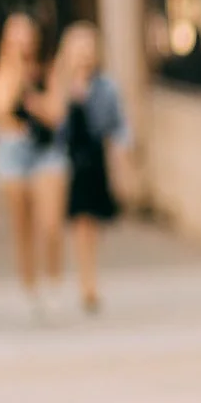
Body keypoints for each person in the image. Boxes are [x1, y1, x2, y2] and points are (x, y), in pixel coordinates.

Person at [0, 13, 65, 310]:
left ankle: (54, 281)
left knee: (51, 224)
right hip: (12, 150)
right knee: (22, 224)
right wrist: (16, 72)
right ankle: (29, 286)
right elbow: (0, 110)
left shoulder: (49, 69)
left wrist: (33, 101)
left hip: (46, 149)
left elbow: (56, 114)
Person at [53, 23, 130, 313]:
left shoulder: (106, 86)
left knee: (92, 223)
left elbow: (118, 125)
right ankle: (85, 281)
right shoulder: (60, 85)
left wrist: (122, 160)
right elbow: (54, 127)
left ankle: (90, 277)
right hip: (68, 160)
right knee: (78, 222)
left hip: (94, 159)